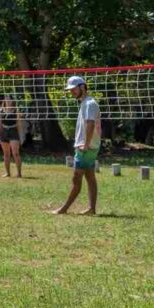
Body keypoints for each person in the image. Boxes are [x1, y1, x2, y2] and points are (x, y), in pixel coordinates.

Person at [52, 76, 101, 215]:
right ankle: (91, 209)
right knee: (90, 177)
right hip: (89, 147)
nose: (71, 92)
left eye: (74, 89)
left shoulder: (89, 103)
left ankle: (63, 209)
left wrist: (85, 145)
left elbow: (90, 124)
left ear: (82, 87)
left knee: (76, 178)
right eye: (70, 89)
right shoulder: (86, 103)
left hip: (86, 148)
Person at [0, 96, 25, 177]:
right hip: (4, 132)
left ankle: (19, 173)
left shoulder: (16, 110)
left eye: (9, 99)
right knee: (6, 154)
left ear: (12, 101)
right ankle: (8, 173)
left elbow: (19, 125)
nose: (8, 101)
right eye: (6, 99)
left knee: (15, 153)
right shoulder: (1, 110)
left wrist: (21, 136)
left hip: (13, 132)